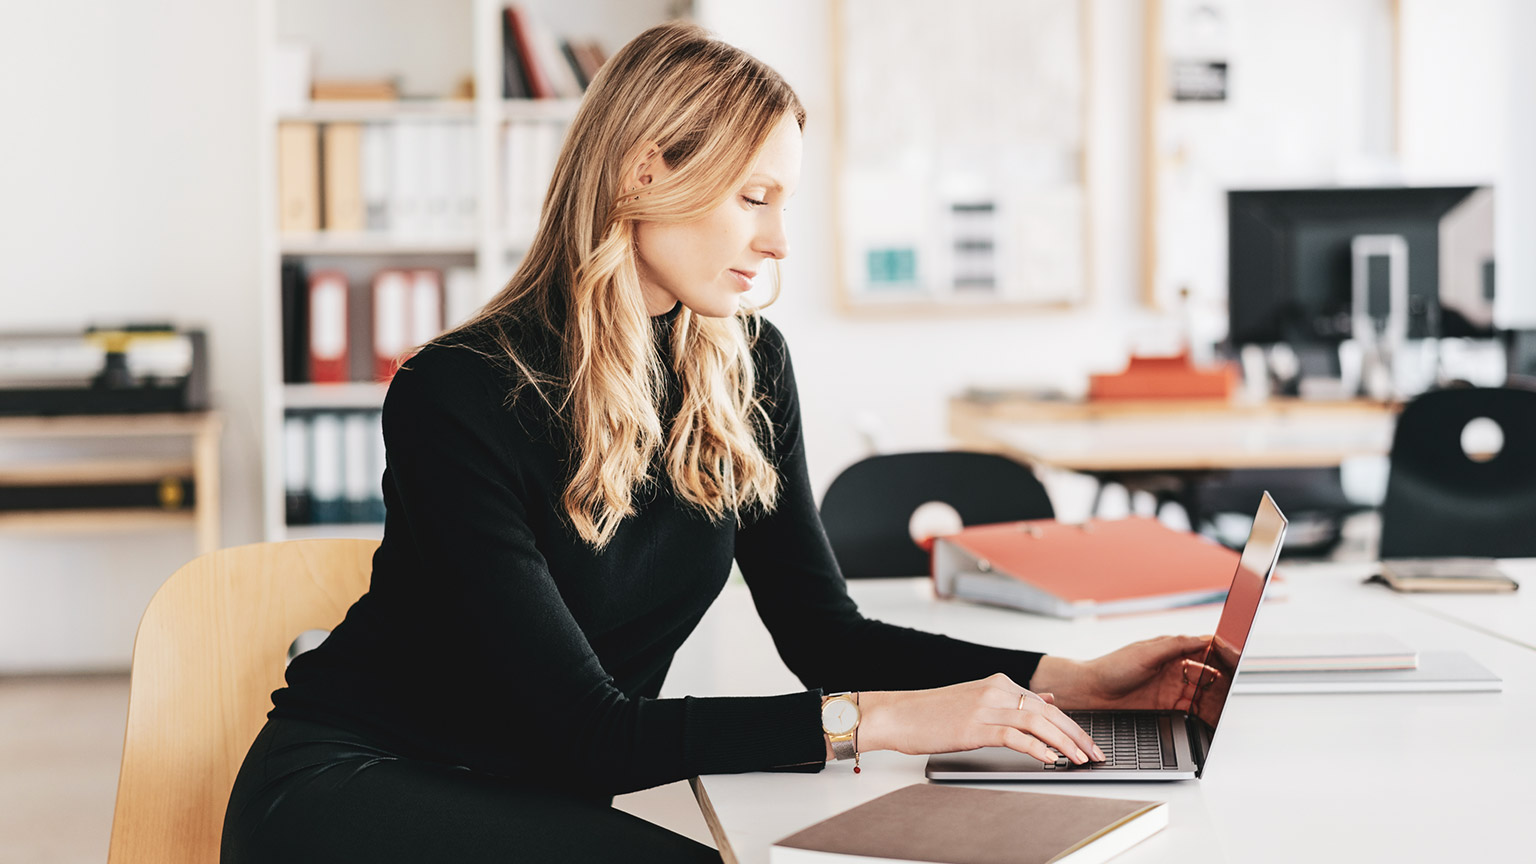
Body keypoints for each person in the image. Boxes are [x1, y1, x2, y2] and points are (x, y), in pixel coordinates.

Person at [222, 22, 1210, 864]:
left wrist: (1065, 679)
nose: (779, 241)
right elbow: (590, 731)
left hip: (537, 791)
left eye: (784, 202)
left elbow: (824, 635)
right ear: (646, 170)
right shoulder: (457, 392)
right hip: (356, 787)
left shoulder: (745, 367)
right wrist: (883, 722)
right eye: (754, 198)